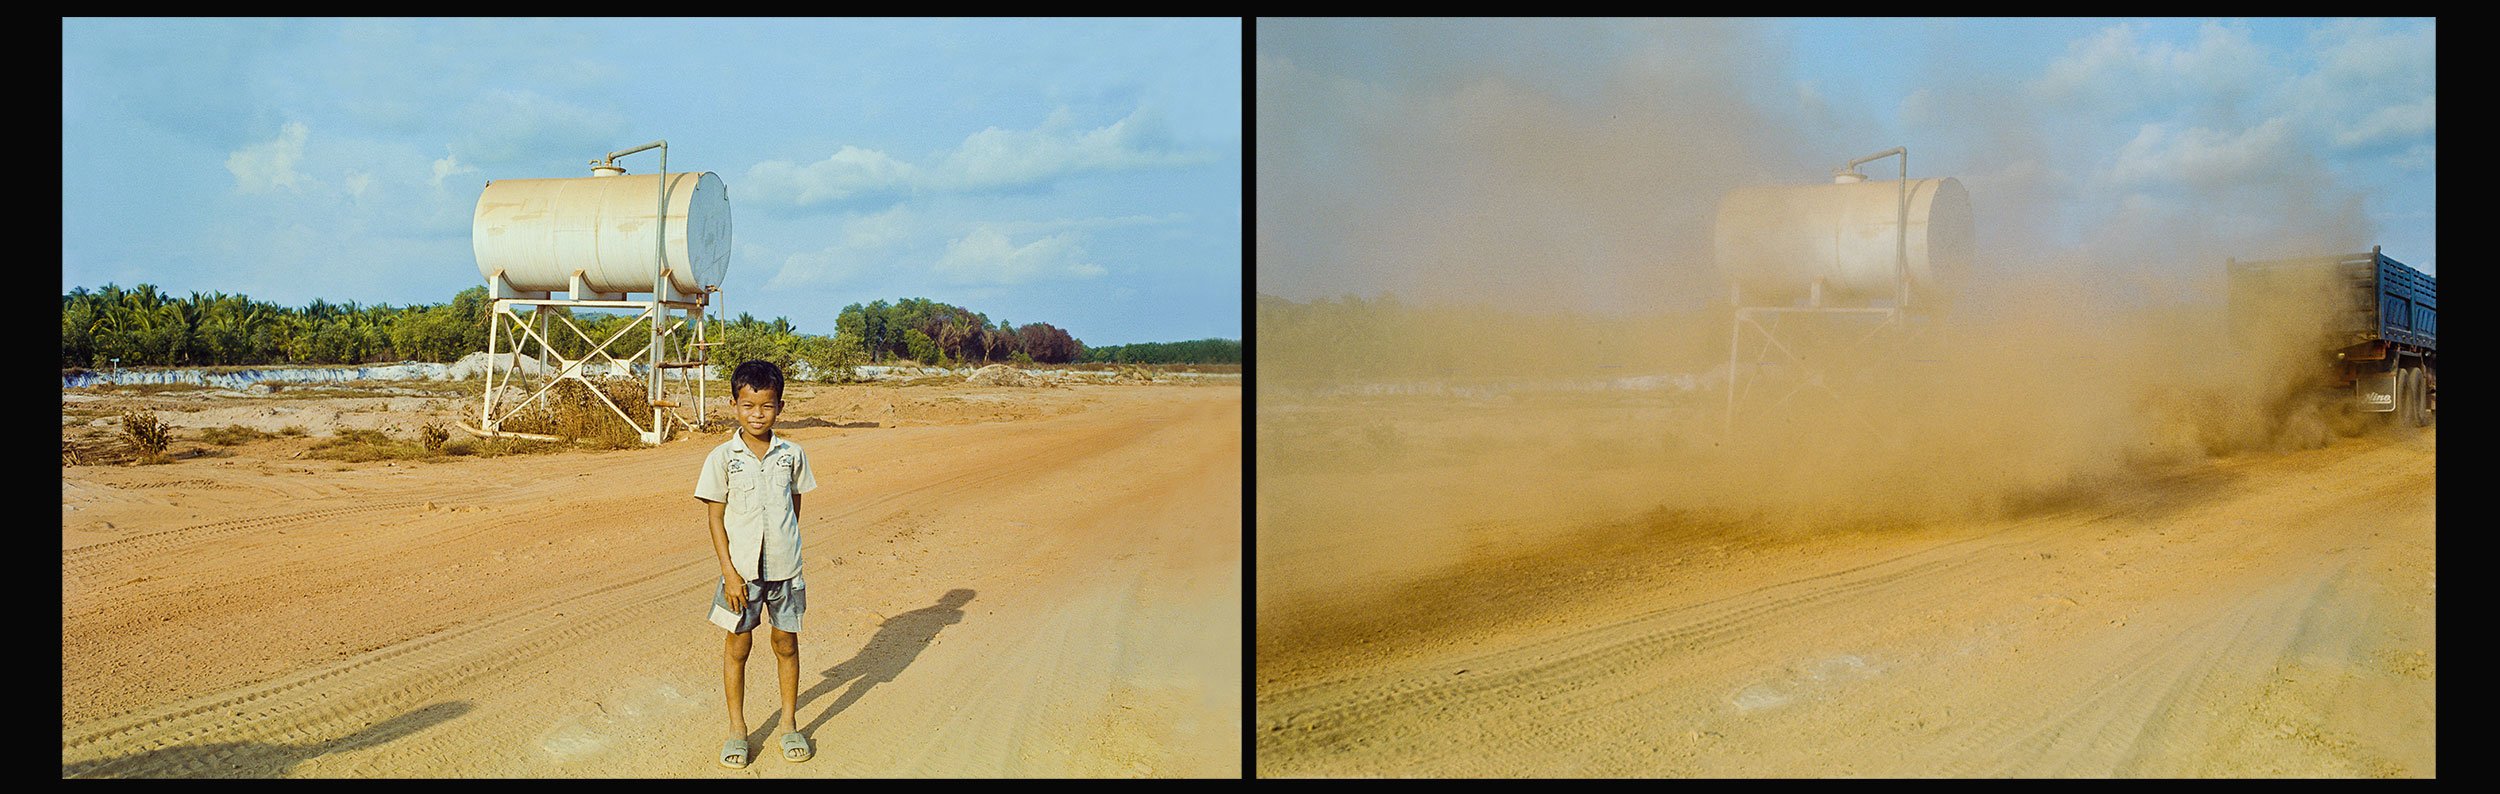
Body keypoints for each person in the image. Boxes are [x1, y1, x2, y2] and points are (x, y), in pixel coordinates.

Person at [695, 360, 820, 768]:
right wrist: (730, 573)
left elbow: (793, 504)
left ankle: (788, 723)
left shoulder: (792, 454)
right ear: (734, 404)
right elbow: (715, 517)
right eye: (748, 406)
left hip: (786, 570)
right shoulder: (722, 458)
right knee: (739, 647)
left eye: (766, 406)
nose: (756, 415)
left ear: (779, 407)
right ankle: (737, 730)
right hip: (742, 576)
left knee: (786, 644)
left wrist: (782, 544)